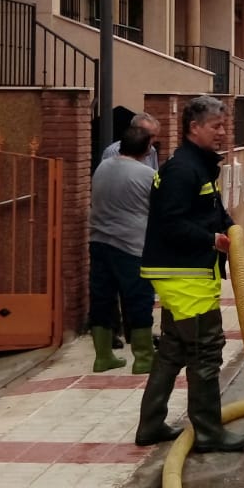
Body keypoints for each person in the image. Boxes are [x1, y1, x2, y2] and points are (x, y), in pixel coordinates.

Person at [135, 96, 244, 453]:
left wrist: (233, 234)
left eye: (224, 126)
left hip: (186, 271)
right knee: (205, 349)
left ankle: (151, 424)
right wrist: (212, 240)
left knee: (173, 349)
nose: (222, 133)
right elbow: (171, 223)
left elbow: (211, 211)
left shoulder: (198, 166)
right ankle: (207, 431)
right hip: (183, 273)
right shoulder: (182, 169)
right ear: (193, 128)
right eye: (216, 127)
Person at [88, 124, 160, 373]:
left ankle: (103, 356)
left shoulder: (102, 168)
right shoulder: (147, 175)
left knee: (102, 300)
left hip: (99, 242)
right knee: (138, 300)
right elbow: (159, 210)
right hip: (132, 246)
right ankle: (143, 358)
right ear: (147, 148)